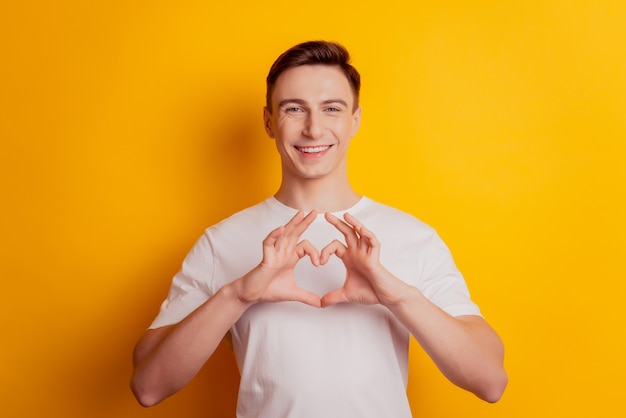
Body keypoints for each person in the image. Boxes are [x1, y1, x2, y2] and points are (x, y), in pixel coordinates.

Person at [130, 40, 507, 417]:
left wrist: (398, 297)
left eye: (331, 109)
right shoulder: (221, 242)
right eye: (294, 109)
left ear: (354, 120)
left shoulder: (414, 237)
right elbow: (148, 386)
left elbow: (489, 381)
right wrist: (239, 295)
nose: (313, 129)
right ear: (269, 122)